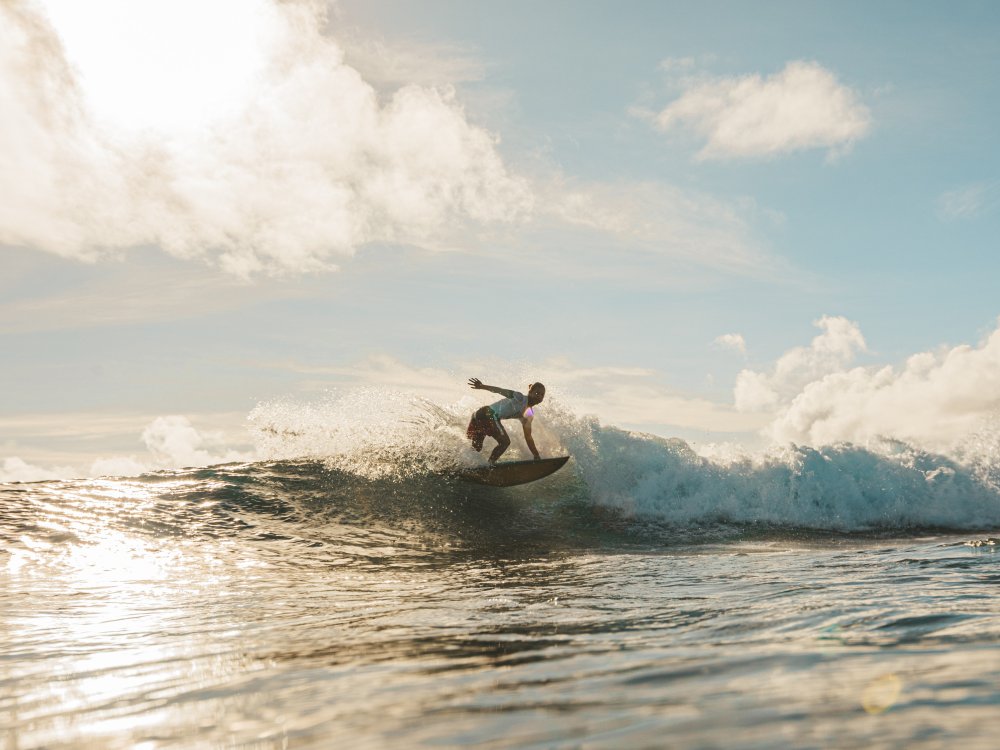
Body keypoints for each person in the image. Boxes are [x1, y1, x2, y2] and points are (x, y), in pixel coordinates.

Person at [466, 378, 546, 465]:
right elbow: (500, 390)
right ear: (530, 392)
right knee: (505, 442)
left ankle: (464, 464)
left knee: (476, 449)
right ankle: (490, 465)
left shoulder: (528, 415)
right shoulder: (519, 398)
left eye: (542, 395)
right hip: (487, 415)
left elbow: (528, 437)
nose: (539, 396)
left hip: (479, 416)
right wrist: (482, 386)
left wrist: (536, 454)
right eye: (537, 393)